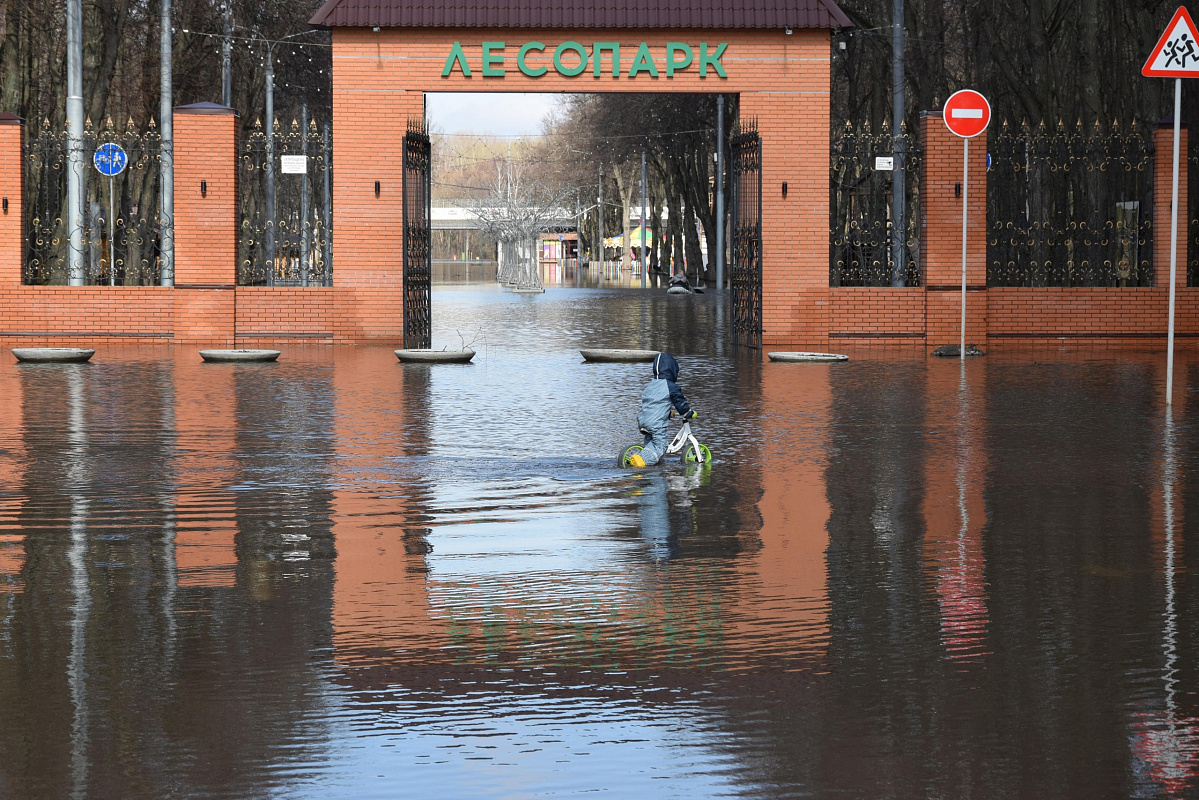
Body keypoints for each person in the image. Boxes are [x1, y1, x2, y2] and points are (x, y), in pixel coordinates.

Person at [628, 352, 697, 468]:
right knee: (661, 446)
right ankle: (640, 461)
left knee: (651, 444)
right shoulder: (670, 386)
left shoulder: (651, 385)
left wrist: (668, 413)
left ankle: (647, 458)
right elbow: (679, 401)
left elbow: (653, 404)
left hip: (643, 419)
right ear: (673, 370)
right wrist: (688, 412)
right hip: (656, 423)